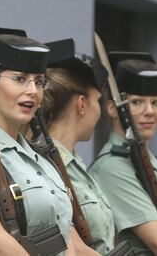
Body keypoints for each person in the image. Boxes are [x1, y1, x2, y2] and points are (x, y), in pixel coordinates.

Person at [0, 27, 82, 255]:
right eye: (20, 79)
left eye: (39, 82)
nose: (32, 90)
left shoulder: (40, 158)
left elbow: (66, 239)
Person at [89, 52, 157, 255]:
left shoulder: (146, 158)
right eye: (137, 102)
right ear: (112, 108)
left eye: (156, 103)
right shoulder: (112, 167)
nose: (150, 111)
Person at [41, 38, 115, 255]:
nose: (99, 111)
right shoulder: (45, 163)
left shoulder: (76, 164)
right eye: (97, 101)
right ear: (82, 104)